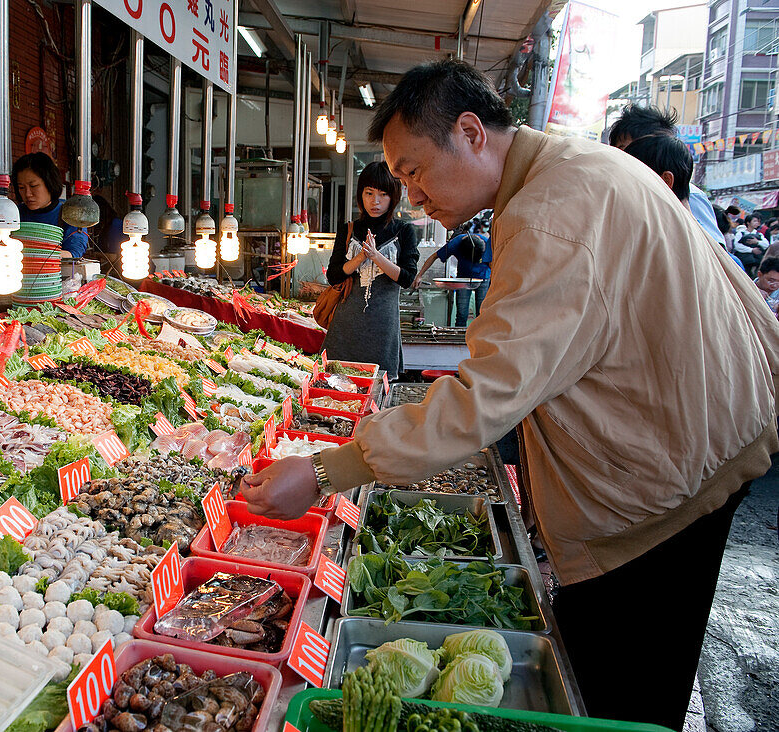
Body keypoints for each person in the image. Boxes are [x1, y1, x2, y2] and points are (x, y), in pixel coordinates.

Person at [240, 60, 779, 731]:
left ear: (470, 133)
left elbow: (485, 395)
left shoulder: (553, 210)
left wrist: (326, 471)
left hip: (665, 491)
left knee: (619, 698)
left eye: (413, 172)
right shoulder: (569, 169)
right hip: (691, 450)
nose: (410, 195)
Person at [318, 161, 418, 378]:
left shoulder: (404, 231)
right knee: (336, 384)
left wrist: (376, 256)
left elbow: (407, 278)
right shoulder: (349, 229)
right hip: (346, 327)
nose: (375, 201)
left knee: (379, 390)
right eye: (369, 193)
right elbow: (333, 276)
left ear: (393, 197)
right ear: (360, 195)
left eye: (383, 194)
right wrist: (361, 256)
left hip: (383, 328)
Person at [620, 134, 747, 272]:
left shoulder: (674, 245)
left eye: (633, 181)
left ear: (666, 181)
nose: (626, 190)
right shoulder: (696, 239)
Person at [607, 105, 725, 247]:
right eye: (619, 150)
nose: (625, 157)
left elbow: (716, 253)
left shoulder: (691, 196)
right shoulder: (620, 192)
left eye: (627, 149)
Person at [413, 218, 491, 326]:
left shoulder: (487, 245)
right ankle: (459, 339)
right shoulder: (455, 244)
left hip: (483, 277)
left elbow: (496, 263)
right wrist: (419, 275)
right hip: (463, 279)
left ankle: (480, 340)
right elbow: (433, 256)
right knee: (462, 313)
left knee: (482, 313)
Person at [12, 153, 88, 258]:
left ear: (49, 183)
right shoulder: (14, 214)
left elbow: (74, 253)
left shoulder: (69, 214)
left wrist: (36, 256)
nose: (28, 194)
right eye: (21, 187)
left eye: (33, 186)